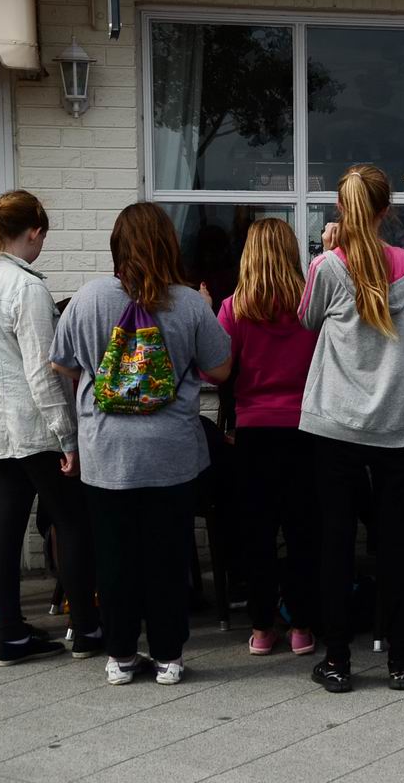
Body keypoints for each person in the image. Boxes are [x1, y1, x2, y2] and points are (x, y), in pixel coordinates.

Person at [50, 203, 232, 685]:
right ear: (169, 246)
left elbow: (61, 363)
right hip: (171, 452)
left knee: (114, 558)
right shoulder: (189, 303)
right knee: (167, 558)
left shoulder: (88, 299)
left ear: (116, 246)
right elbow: (220, 369)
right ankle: (168, 656)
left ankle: (122, 656)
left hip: (107, 452)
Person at [0, 190, 98, 667]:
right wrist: (67, 437)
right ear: (33, 232)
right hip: (31, 425)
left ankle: (9, 633)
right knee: (72, 521)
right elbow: (42, 372)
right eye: (43, 236)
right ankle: (87, 629)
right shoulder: (25, 288)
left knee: (6, 526)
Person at [299, 164, 404, 694]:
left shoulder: (328, 266)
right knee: (396, 545)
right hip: (398, 423)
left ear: (340, 208)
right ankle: (401, 659)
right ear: (386, 209)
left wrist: (327, 249)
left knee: (335, 542)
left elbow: (307, 319)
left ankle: (337, 660)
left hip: (334, 422)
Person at [214, 218, 319, 658]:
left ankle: (261, 629)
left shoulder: (233, 308)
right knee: (303, 532)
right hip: (305, 430)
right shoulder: (311, 306)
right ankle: (302, 629)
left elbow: (214, 371)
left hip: (253, 433)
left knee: (256, 534)